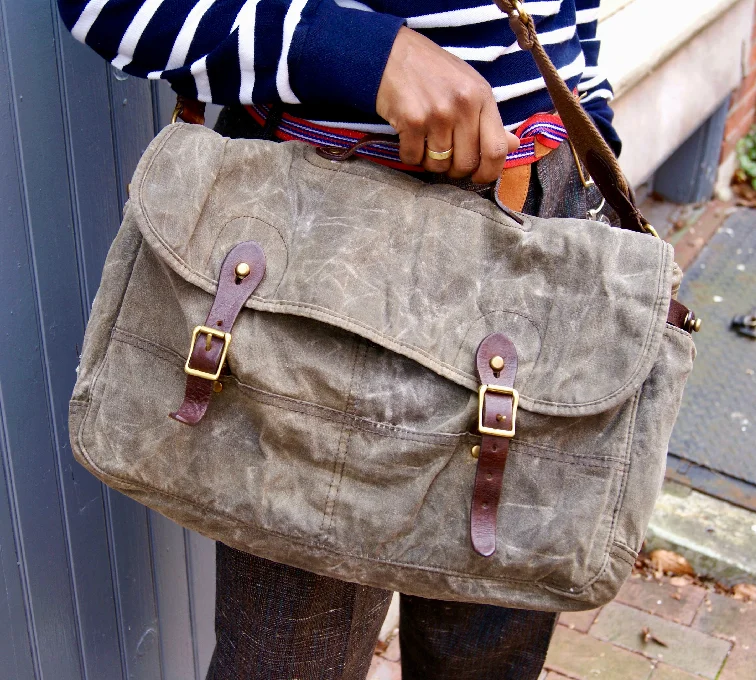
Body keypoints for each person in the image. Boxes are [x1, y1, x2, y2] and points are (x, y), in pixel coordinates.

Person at [57, 2, 620, 678]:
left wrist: (595, 129)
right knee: (293, 660)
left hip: (542, 209)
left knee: (491, 649)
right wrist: (362, 52)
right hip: (316, 230)